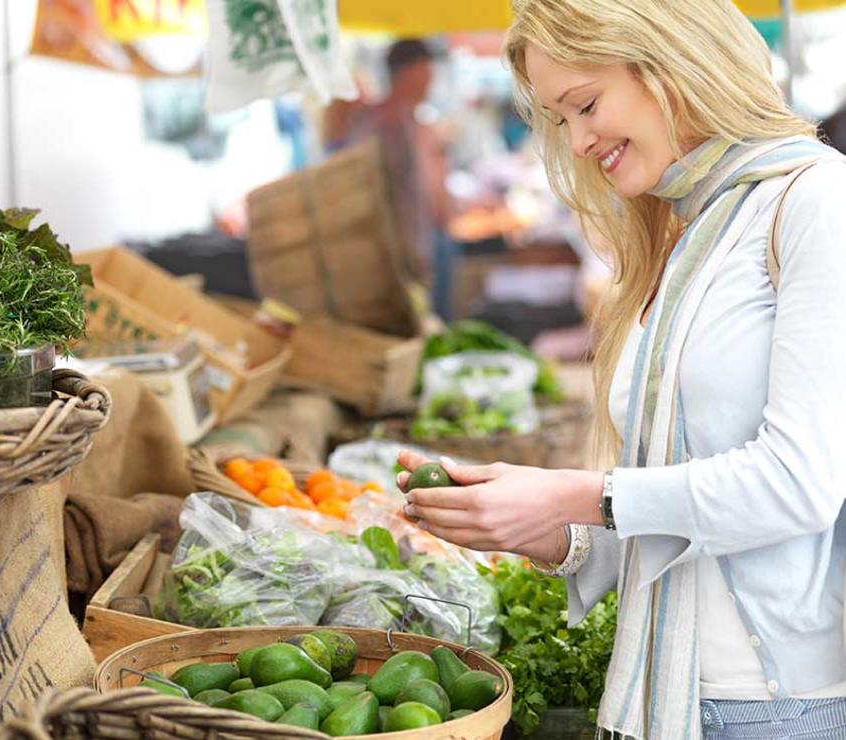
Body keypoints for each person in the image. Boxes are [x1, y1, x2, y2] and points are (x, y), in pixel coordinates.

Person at [397, 1, 846, 738]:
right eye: (559, 119)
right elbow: (677, 504)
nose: (576, 141)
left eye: (585, 104)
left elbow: (797, 485)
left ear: (669, 60)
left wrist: (581, 494)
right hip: (672, 700)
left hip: (772, 707)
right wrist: (545, 526)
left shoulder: (815, 202)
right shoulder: (691, 227)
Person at [348, 38, 452, 291]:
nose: (431, 79)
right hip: (394, 259)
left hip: (418, 248)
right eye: (427, 70)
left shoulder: (411, 121)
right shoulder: (383, 122)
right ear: (411, 71)